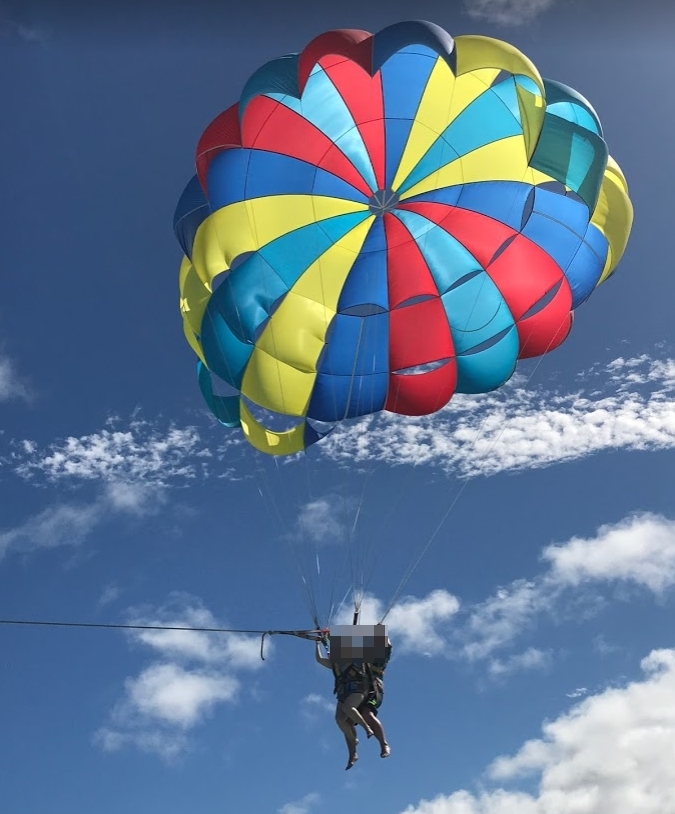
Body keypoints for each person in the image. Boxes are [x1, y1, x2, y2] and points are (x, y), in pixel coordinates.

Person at [315, 639, 373, 769]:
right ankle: (353, 751)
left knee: (348, 708)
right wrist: (317, 644)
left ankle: (367, 728)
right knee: (340, 720)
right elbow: (319, 659)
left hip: (358, 689)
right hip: (343, 693)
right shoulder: (335, 664)